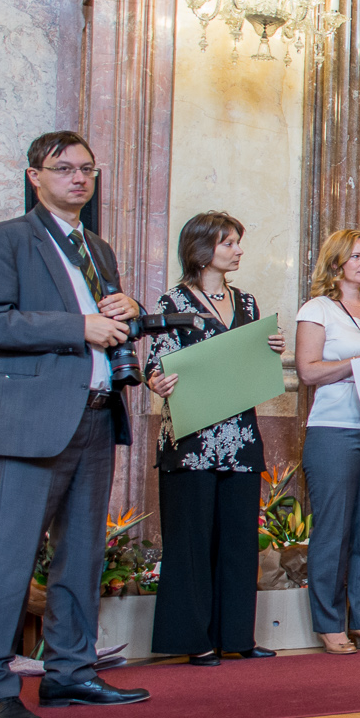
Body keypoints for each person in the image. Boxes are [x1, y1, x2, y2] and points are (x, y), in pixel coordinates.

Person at [0, 131, 150, 718]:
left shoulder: (98, 249)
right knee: (9, 557)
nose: (78, 178)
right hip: (31, 420)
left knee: (82, 555)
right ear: (34, 176)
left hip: (96, 414)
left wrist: (128, 315)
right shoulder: (8, 239)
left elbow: (105, 326)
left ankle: (70, 672)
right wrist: (78, 326)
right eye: (63, 168)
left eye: (87, 169)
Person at [143, 211, 286, 666]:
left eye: (237, 242)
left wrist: (271, 350)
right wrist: (156, 381)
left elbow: (251, 363)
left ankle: (237, 636)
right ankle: (194, 639)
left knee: (239, 540)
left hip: (240, 437)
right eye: (228, 242)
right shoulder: (172, 301)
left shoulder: (247, 302)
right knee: (191, 542)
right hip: (190, 440)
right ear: (202, 249)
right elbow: (155, 364)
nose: (238, 250)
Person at [295, 230, 360, 655]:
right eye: (356, 256)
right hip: (333, 430)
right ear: (336, 261)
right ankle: (329, 623)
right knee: (333, 530)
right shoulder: (317, 309)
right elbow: (308, 371)